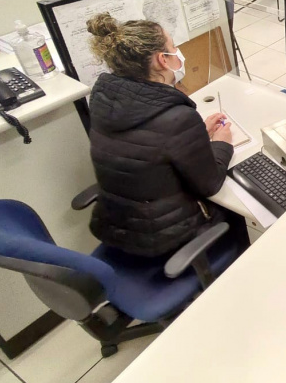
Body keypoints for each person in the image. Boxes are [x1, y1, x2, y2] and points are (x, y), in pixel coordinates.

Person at [86, 13, 249, 258]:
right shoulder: (176, 117)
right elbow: (210, 183)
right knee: (246, 215)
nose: (178, 52)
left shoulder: (103, 101)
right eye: (174, 47)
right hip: (166, 241)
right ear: (163, 60)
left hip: (118, 228)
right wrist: (223, 143)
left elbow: (147, 147)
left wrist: (197, 134)